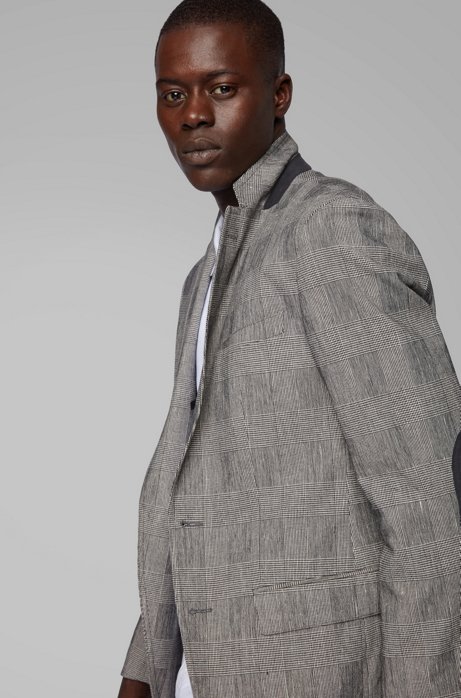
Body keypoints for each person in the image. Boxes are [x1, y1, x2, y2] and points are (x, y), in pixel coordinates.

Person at [117, 1, 461, 696]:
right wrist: (146, 668)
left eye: (221, 88)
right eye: (172, 94)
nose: (192, 116)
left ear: (279, 95)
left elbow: (428, 509)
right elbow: (184, 483)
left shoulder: (332, 228)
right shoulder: (205, 272)